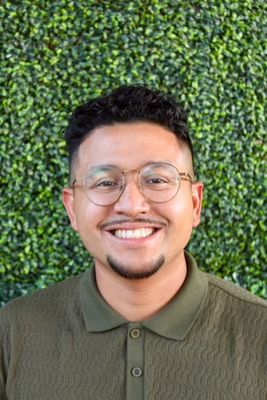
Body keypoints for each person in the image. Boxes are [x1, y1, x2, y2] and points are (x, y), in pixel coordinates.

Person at [0, 85, 266, 400]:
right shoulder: (12, 334)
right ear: (72, 208)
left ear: (195, 203)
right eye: (105, 182)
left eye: (156, 180)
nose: (132, 205)